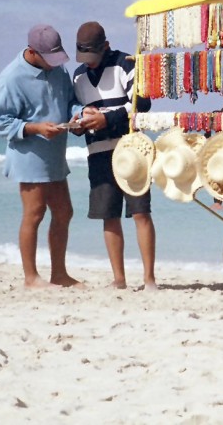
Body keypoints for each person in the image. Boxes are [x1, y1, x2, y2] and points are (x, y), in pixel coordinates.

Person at [0, 24, 84, 288]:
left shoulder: (58, 70)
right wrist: (36, 128)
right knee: (34, 213)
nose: (54, 65)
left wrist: (79, 114)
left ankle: (59, 274)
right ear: (32, 52)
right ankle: (31, 277)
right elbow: (0, 123)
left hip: (55, 154)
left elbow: (69, 103)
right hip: (29, 154)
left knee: (64, 211)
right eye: (48, 59)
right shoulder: (11, 78)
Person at [72, 21, 157, 291]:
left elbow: (141, 104)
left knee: (141, 213)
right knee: (108, 216)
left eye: (94, 58)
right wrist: (77, 124)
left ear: (106, 47)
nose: (91, 64)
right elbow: (76, 113)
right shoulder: (78, 76)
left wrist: (106, 120)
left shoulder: (125, 64)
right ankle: (119, 279)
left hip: (131, 150)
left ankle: (149, 279)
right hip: (97, 152)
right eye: (85, 59)